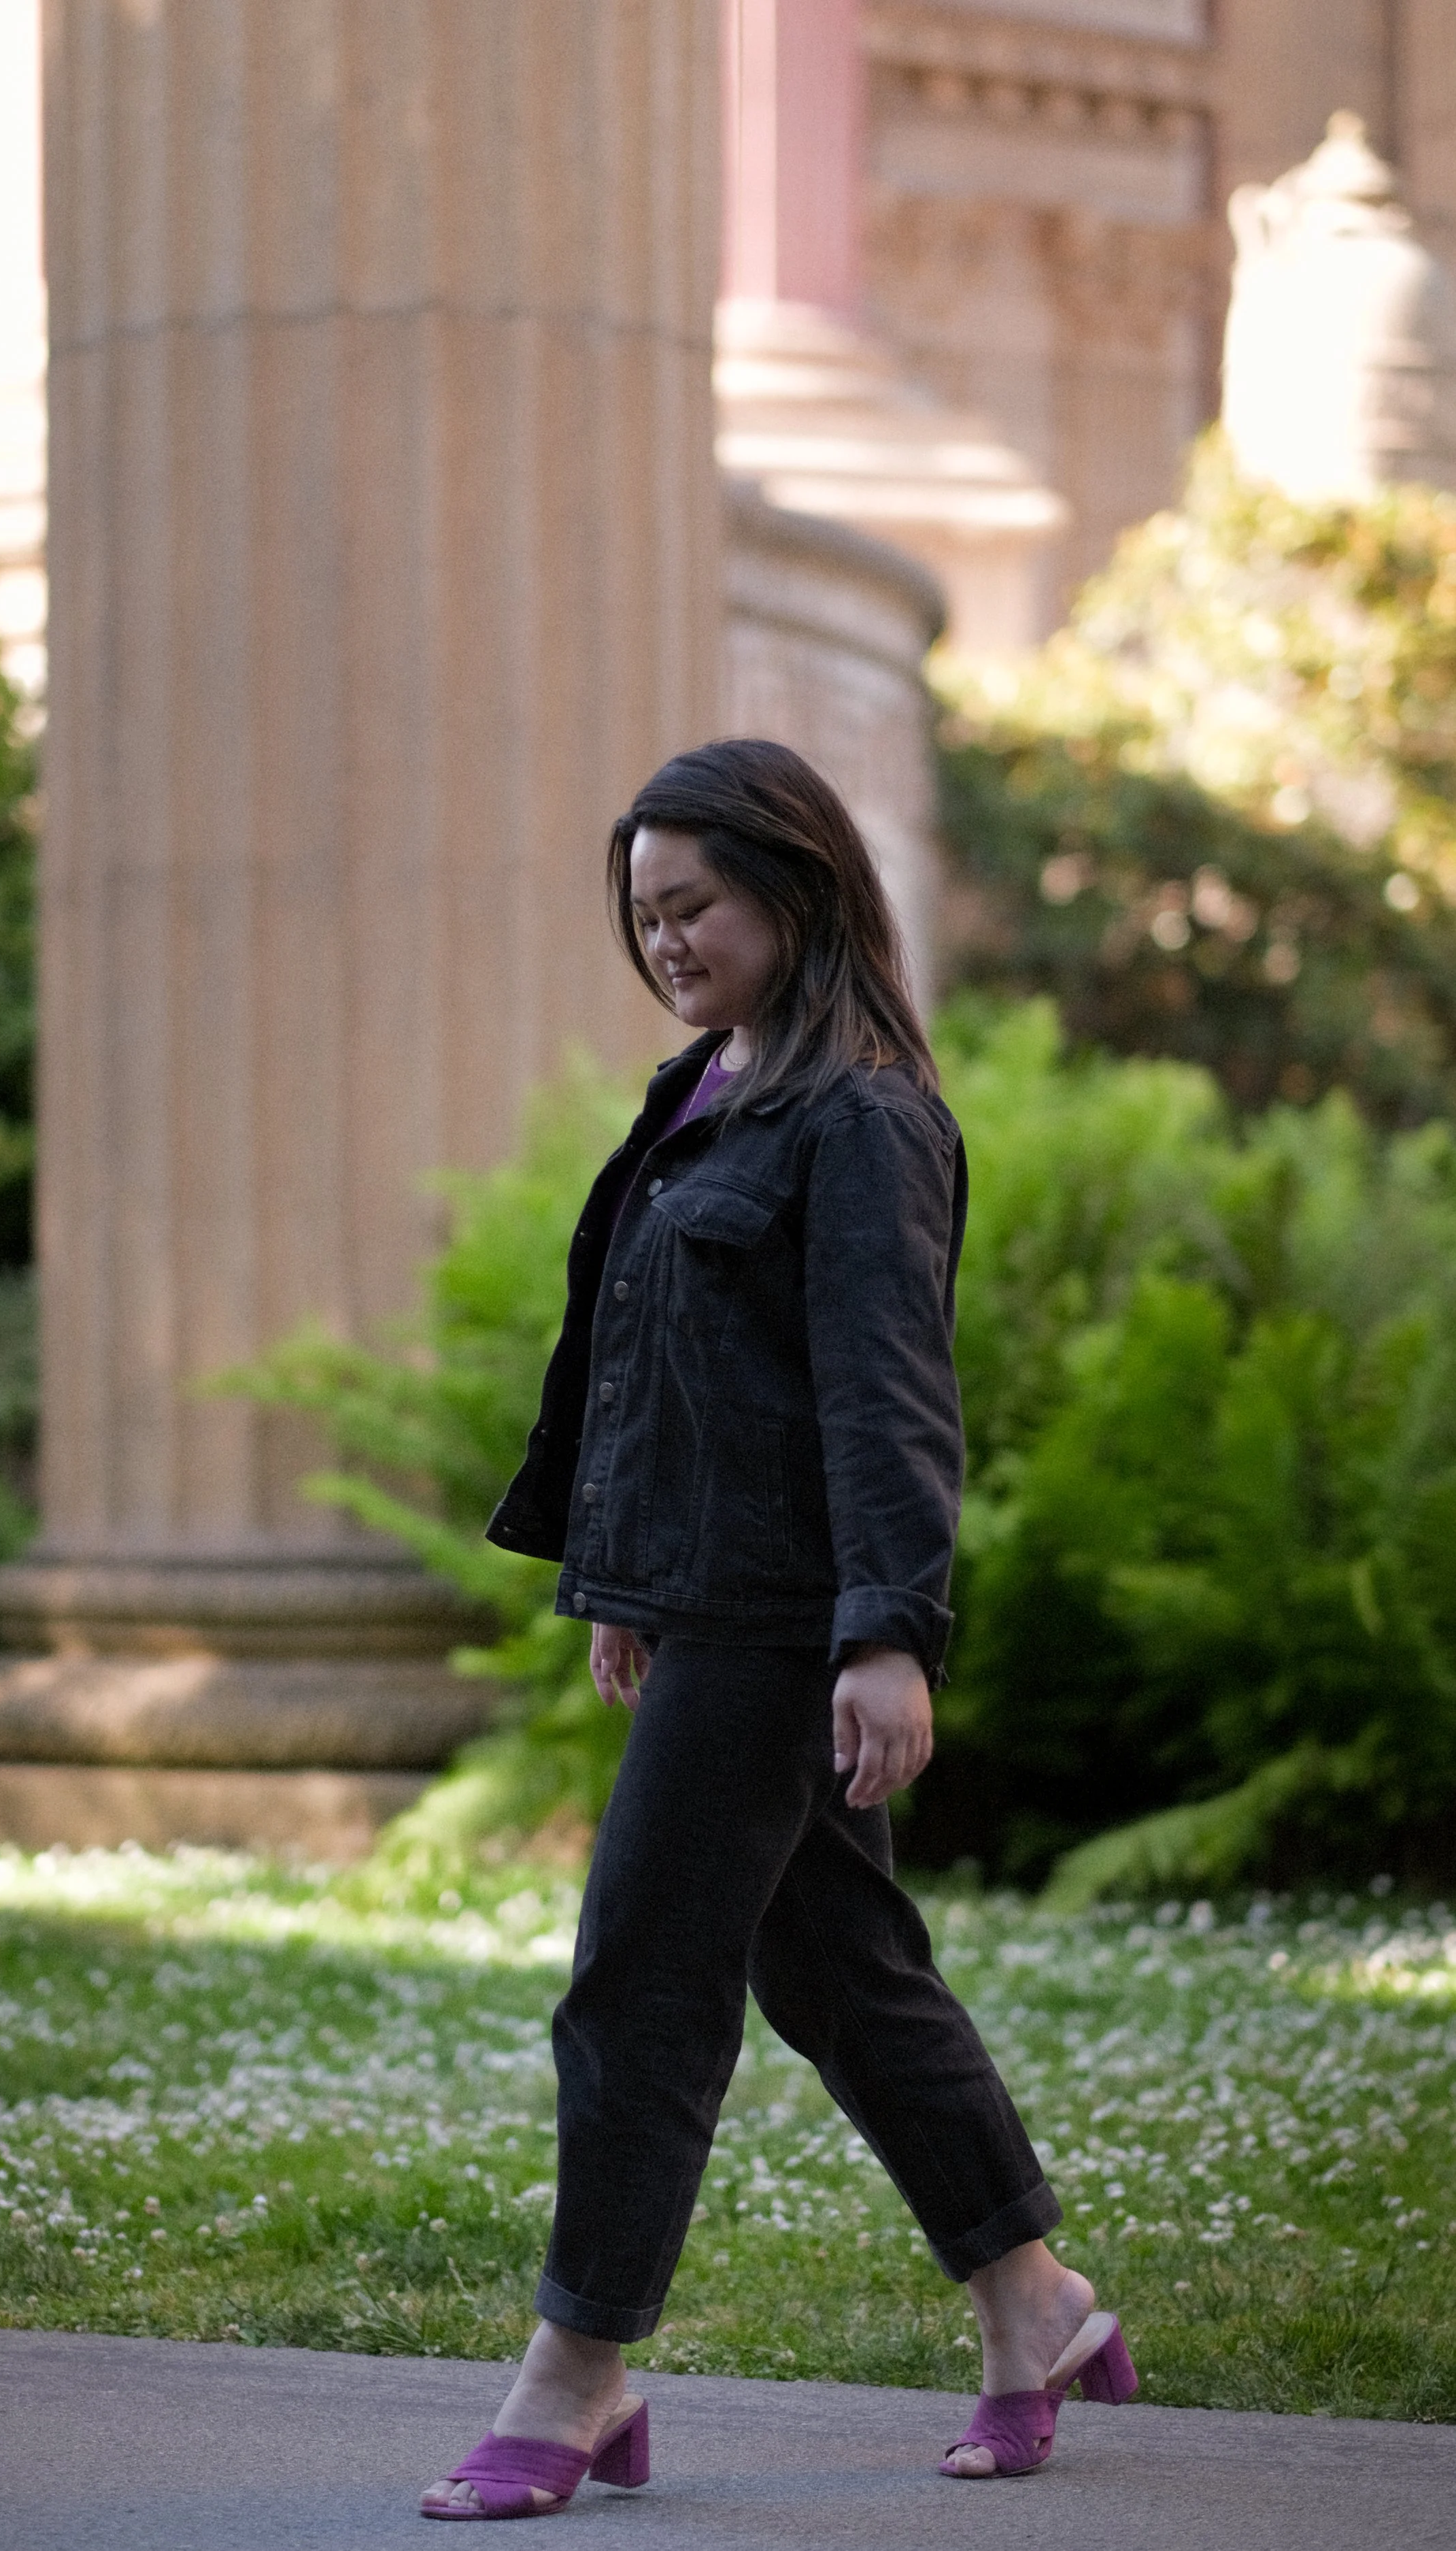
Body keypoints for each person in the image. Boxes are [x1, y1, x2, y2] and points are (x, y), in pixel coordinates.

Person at [420, 739, 1135, 2522]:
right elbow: (657, 1365)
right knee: (838, 1970)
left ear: (796, 896)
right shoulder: (705, 1088)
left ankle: (576, 2372)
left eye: (696, 906)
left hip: (791, 1620)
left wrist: (888, 1633)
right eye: (643, 912)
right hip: (711, 1606)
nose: (665, 939)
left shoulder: (862, 1118)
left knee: (639, 1983)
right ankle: (1030, 2303)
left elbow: (883, 1400)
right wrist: (622, 1583)